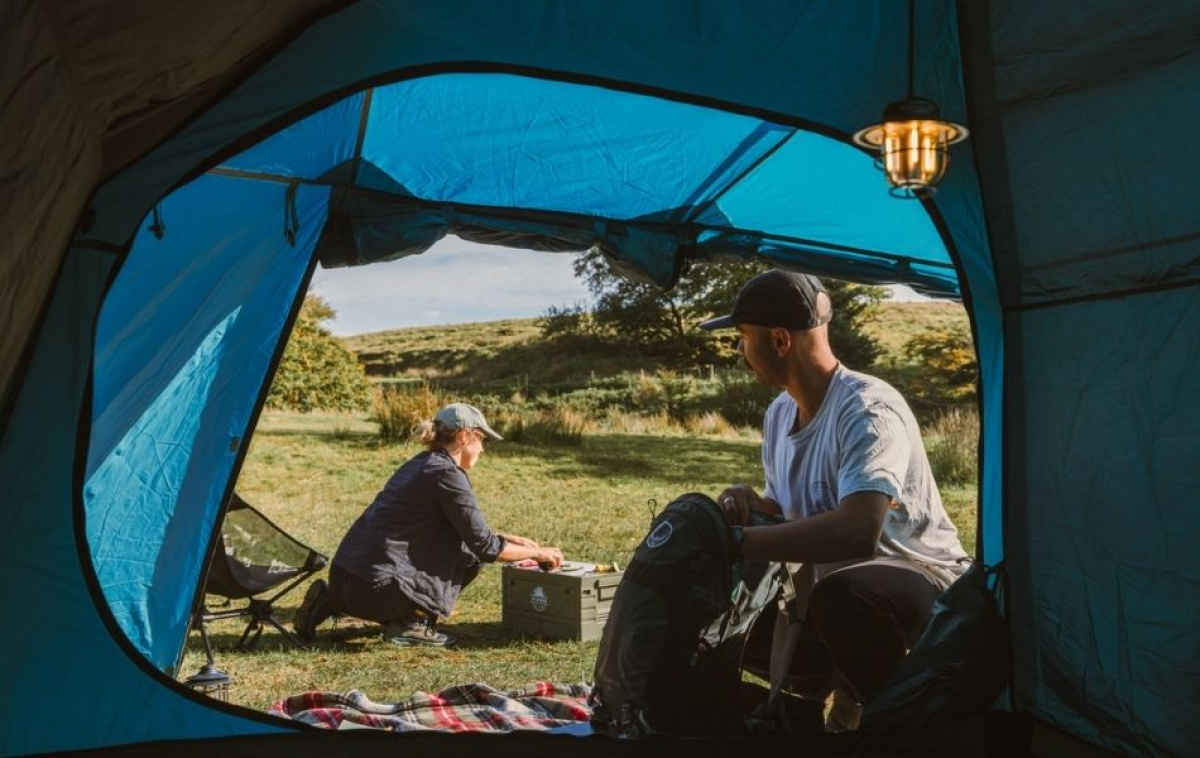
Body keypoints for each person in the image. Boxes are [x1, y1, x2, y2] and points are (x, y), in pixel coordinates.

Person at [700, 269, 969, 730]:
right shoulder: (779, 412)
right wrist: (757, 510)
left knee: (843, 597)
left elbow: (859, 532)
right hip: (832, 597)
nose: (740, 351)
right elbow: (798, 511)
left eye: (743, 337)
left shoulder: (867, 410)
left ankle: (906, 727)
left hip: (924, 583)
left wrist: (740, 542)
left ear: (780, 340)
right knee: (713, 611)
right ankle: (828, 688)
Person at [294, 402, 563, 647]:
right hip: (377, 587)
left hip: (345, 578)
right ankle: (410, 623)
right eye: (482, 439)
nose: (483, 448)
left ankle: (330, 601)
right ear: (464, 436)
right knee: (470, 558)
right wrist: (539, 553)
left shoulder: (420, 464)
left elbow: (455, 531)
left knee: (463, 552)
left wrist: (509, 540)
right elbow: (484, 547)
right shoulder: (448, 474)